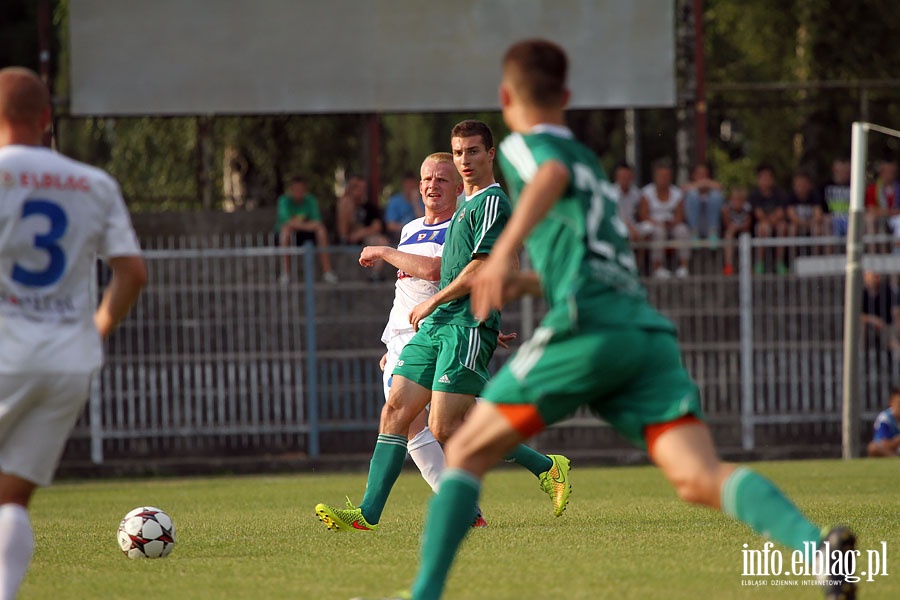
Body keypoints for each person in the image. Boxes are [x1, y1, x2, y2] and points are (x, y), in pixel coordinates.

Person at [374, 39, 855, 600]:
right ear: (568, 96)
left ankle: (421, 593)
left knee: (461, 443)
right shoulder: (593, 167)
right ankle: (816, 549)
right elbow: (587, 259)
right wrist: (521, 280)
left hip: (587, 325)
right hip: (641, 330)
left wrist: (503, 255)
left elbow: (546, 172)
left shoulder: (531, 150)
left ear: (508, 99)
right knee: (697, 473)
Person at [315, 120, 571, 533]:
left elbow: (481, 266)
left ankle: (545, 468)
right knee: (397, 411)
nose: (464, 160)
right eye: (458, 152)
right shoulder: (461, 208)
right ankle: (367, 513)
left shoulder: (490, 202)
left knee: (447, 427)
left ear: (490, 155)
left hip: (461, 323)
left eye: (472, 152)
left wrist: (459, 309)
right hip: (434, 325)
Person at [0, 67, 147, 599]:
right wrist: (96, 330)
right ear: (45, 119)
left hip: (5, 348)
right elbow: (132, 273)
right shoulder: (93, 183)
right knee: (10, 499)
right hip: (66, 359)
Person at [274, 176, 339, 284]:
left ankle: (327, 271)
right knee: (285, 231)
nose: (298, 193)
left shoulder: (311, 200)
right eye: (296, 190)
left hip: (306, 235)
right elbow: (286, 222)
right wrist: (305, 224)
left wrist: (297, 224)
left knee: (321, 230)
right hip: (289, 235)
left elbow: (317, 222)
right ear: (291, 190)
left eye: (301, 190)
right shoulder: (284, 201)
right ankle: (286, 273)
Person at [636, 158, 691, 278]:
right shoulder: (646, 192)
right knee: (658, 231)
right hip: (654, 225)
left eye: (666, 175)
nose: (664, 178)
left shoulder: (676, 193)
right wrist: (657, 223)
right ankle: (658, 267)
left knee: (682, 230)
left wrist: (672, 222)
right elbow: (643, 215)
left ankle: (683, 267)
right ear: (655, 176)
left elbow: (680, 215)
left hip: (671, 225)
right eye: (661, 175)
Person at [336, 174, 390, 280]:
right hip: (347, 239)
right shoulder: (344, 204)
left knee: (382, 241)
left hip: (365, 239)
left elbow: (377, 226)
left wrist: (360, 234)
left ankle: (375, 275)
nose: (359, 191)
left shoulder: (370, 207)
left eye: (361, 188)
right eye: (355, 187)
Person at [749, 164, 790, 274]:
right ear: (758, 179)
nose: (766, 180)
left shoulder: (780, 194)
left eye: (768, 177)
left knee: (783, 227)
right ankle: (759, 263)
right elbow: (759, 215)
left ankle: (779, 263)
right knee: (763, 227)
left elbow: (781, 213)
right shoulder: (754, 195)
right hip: (761, 225)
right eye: (763, 177)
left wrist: (772, 219)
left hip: (776, 223)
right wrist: (769, 220)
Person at [682, 163, 724, 241]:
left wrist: (706, 183)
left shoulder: (713, 191)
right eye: (699, 174)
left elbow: (720, 187)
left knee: (716, 195)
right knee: (692, 194)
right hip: (692, 226)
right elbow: (684, 189)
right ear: (693, 175)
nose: (702, 177)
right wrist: (700, 184)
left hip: (710, 225)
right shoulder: (689, 190)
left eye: (704, 174)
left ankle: (713, 232)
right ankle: (694, 232)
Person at [384, 171, 425, 246]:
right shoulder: (395, 201)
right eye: (408, 184)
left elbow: (425, 221)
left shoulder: (422, 201)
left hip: (419, 235)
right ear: (403, 184)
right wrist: (408, 228)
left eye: (412, 185)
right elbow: (390, 225)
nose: (410, 187)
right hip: (399, 236)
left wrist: (415, 203)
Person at [720, 186, 753, 276]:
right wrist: (726, 215)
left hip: (744, 231)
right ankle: (729, 265)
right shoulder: (727, 208)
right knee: (728, 235)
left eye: (739, 200)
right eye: (734, 200)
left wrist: (737, 227)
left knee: (745, 237)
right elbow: (727, 225)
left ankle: (748, 266)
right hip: (732, 231)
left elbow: (747, 224)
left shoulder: (747, 208)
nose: (736, 202)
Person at [867, 387, 900, 457]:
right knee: (873, 448)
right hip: (893, 451)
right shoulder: (885, 419)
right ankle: (895, 460)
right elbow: (884, 444)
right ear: (891, 403)